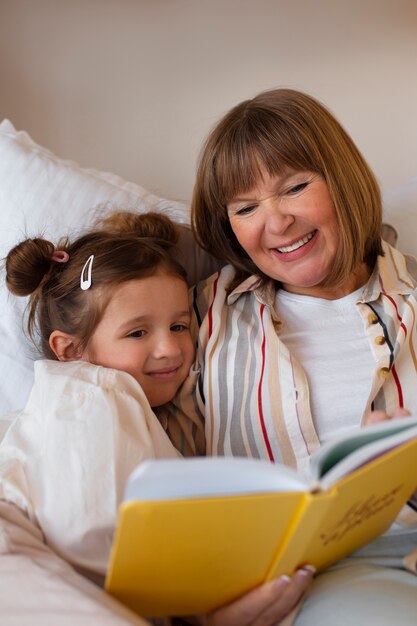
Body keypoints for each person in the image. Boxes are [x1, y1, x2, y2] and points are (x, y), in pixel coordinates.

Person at [174, 88, 417, 624]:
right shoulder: (201, 318)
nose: (277, 222)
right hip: (320, 574)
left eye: (295, 187)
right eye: (246, 207)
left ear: (342, 179)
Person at [0, 210, 310, 625]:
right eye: (138, 333)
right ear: (71, 350)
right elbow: (91, 530)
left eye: (180, 326)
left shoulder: (129, 403)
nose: (170, 349)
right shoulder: (94, 394)